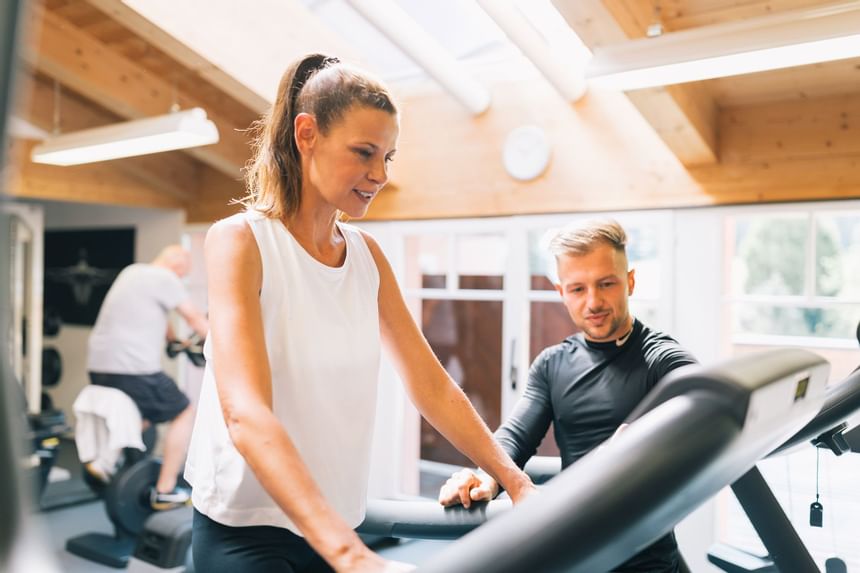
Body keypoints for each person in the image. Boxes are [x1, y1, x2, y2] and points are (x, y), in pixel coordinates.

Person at [184, 53, 535, 573]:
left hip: (336, 523)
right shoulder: (241, 243)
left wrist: (516, 481)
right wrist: (351, 557)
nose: (379, 174)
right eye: (364, 152)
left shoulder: (366, 256)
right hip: (249, 529)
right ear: (307, 134)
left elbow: (431, 385)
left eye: (388, 158)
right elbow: (246, 414)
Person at [438, 218, 698, 572]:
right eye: (578, 289)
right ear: (561, 292)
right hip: (576, 553)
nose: (593, 301)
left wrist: (634, 437)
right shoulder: (552, 364)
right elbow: (515, 436)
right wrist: (486, 476)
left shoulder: (658, 357)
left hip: (644, 561)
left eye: (606, 284)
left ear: (630, 282)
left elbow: (700, 387)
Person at [87, 244, 209, 509]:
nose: (181, 278)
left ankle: (104, 460)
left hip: (100, 366)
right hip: (133, 369)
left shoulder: (132, 273)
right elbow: (195, 319)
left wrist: (174, 340)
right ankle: (164, 490)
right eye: (183, 273)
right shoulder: (165, 278)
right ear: (179, 262)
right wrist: (224, 344)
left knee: (142, 414)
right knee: (184, 412)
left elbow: (162, 318)